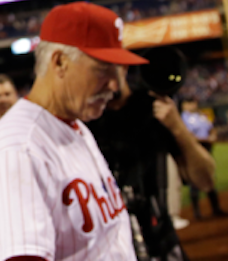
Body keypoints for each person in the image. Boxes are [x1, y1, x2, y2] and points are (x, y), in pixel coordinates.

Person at [0, 1, 147, 261]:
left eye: (119, 71)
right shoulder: (19, 149)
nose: (115, 85)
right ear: (59, 62)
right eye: (103, 70)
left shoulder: (74, 124)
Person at [87, 47, 216, 261]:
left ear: (124, 67)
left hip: (160, 240)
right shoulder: (86, 120)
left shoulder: (152, 109)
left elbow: (205, 181)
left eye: (110, 69)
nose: (105, 81)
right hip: (109, 248)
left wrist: (177, 128)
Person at [181, 98, 225, 219]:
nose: (192, 105)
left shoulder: (201, 116)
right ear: (184, 105)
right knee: (195, 180)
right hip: (194, 150)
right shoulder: (183, 118)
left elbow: (211, 128)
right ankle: (196, 213)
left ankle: (216, 209)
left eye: (193, 102)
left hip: (207, 148)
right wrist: (206, 139)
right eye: (189, 102)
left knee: (209, 177)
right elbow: (187, 135)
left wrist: (213, 136)